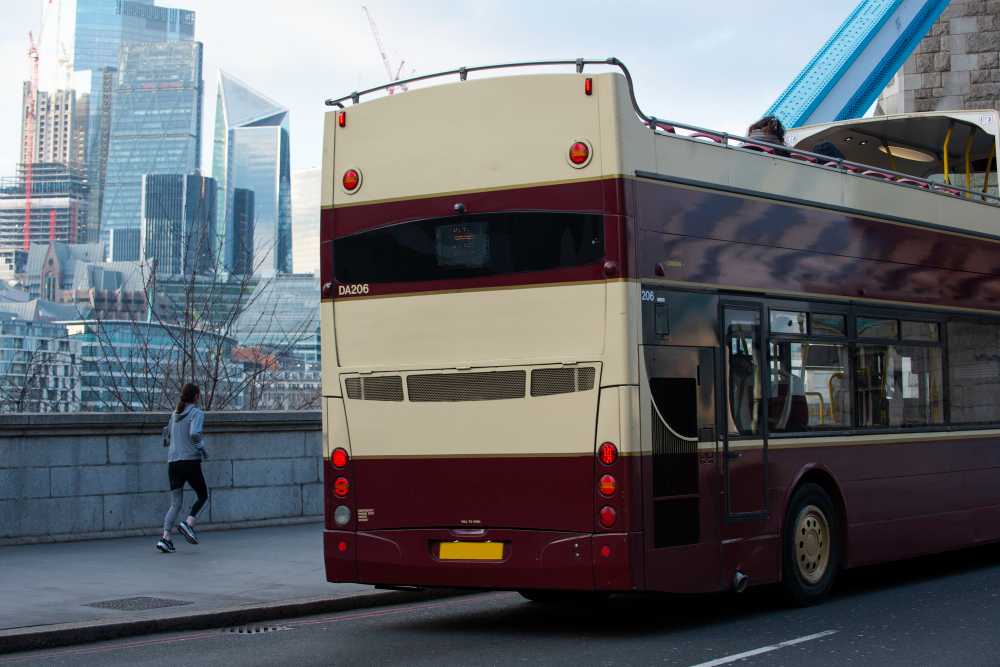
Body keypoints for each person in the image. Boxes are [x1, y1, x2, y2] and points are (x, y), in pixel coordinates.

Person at [157, 383, 209, 554]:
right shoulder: (196, 413)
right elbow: (194, 433)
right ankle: (188, 523)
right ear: (195, 397)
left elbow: (165, 436)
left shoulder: (174, 415)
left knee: (175, 503)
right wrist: (201, 448)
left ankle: (165, 538)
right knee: (202, 495)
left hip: (173, 463)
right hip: (190, 461)